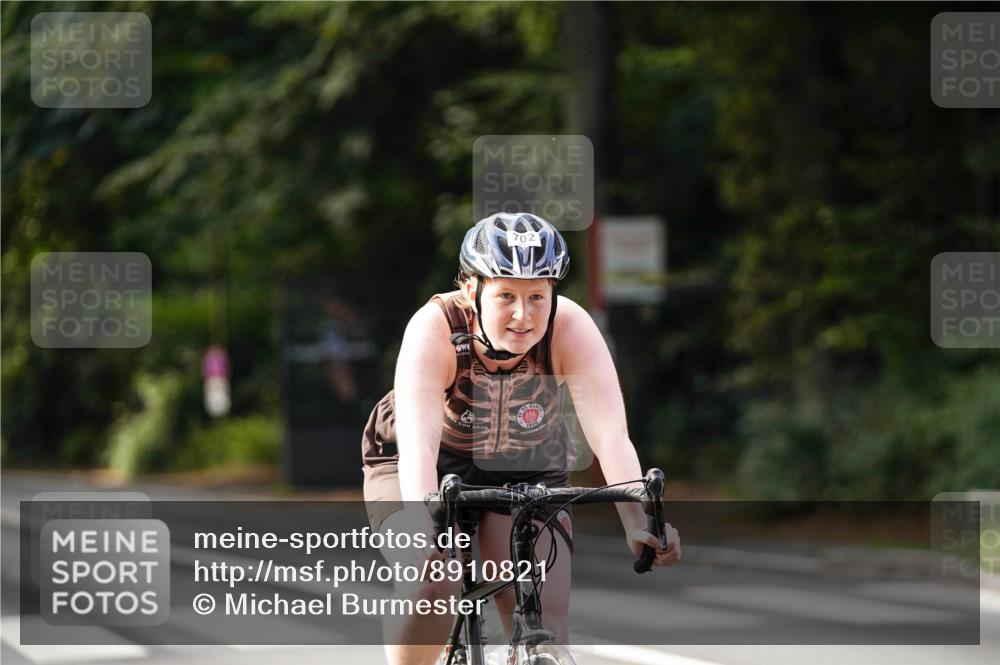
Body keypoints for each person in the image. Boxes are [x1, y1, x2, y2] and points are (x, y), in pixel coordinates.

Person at [361, 212, 681, 665]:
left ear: (553, 293)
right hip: (420, 456)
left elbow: (610, 436)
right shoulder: (435, 329)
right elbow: (419, 446)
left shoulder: (570, 328)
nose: (522, 314)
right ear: (472, 291)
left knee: (544, 620)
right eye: (506, 295)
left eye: (536, 296)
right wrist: (427, 530)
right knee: (432, 579)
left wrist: (637, 521)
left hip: (523, 457)